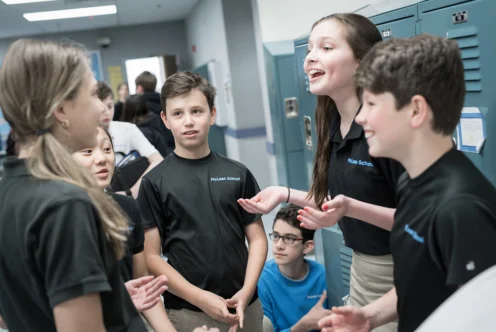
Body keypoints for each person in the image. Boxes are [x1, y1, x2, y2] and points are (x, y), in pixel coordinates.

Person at [319, 34, 496, 332]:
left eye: (371, 103)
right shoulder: (412, 183)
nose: (360, 117)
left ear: (415, 110)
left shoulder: (461, 209)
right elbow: (423, 281)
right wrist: (371, 316)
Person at [238, 13, 403, 332]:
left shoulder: (386, 127)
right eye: (310, 48)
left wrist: (351, 209)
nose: (310, 57)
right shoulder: (333, 124)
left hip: (402, 270)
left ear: (363, 61)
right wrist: (285, 194)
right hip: (362, 267)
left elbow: (421, 219)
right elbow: (339, 200)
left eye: (326, 48)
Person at [0, 38, 166, 332]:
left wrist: (110, 302)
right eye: (92, 95)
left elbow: (33, 303)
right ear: (62, 111)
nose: (102, 107)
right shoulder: (66, 205)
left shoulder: (10, 190)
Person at [138, 71, 268, 332]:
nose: (188, 121)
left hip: (244, 305)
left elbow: (257, 239)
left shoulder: (237, 172)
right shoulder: (154, 182)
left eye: (197, 111)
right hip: (188, 310)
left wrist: (246, 291)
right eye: (177, 114)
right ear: (165, 119)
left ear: (213, 114)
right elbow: (151, 258)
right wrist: (201, 298)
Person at [72, 126, 176, 332]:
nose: (102, 159)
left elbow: (142, 284)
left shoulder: (128, 207)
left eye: (107, 149)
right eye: (88, 151)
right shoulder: (60, 217)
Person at [258, 204, 330, 332]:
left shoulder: (324, 276)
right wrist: (303, 325)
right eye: (276, 236)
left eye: (289, 238)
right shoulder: (263, 279)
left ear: (307, 246)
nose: (279, 245)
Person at [98, 81, 163, 197]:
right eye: (101, 108)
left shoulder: (128, 129)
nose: (107, 113)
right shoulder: (83, 135)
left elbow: (157, 160)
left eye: (110, 106)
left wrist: (132, 192)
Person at [135, 71, 175, 152]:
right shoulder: (167, 103)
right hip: (173, 150)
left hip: (152, 154)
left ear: (139, 88)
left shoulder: (138, 108)